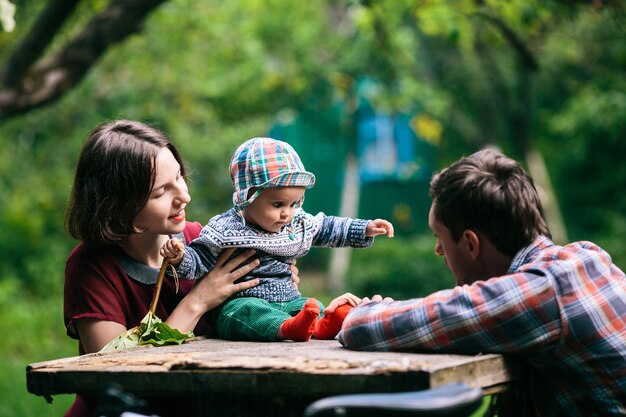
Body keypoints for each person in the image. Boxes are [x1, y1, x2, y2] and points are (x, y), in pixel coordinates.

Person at [338, 149, 626, 417]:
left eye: (440, 238)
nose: (438, 251)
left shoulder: (541, 293)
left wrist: (364, 310)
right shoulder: (588, 256)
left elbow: (361, 327)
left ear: (471, 244)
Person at [63, 120, 300, 417]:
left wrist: (277, 284)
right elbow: (118, 369)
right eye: (162, 191)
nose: (184, 195)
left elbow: (249, 312)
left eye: (179, 176)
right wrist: (198, 301)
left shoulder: (199, 241)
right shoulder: (90, 267)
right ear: (120, 205)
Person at [160, 137, 395, 342]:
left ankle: (324, 323)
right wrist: (180, 257)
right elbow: (199, 259)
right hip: (242, 301)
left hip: (288, 298)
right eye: (278, 204)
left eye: (294, 204)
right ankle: (287, 329)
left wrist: (363, 228)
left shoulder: (294, 222)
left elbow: (327, 227)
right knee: (245, 313)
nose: (287, 213)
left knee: (310, 306)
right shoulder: (226, 229)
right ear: (248, 196)